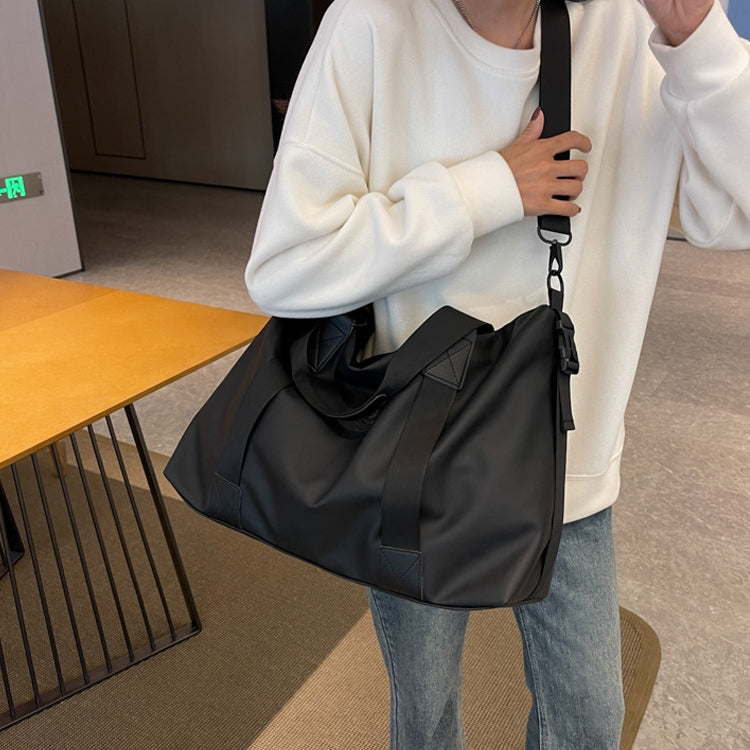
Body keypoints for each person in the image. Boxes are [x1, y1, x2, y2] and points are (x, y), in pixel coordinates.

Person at [245, 0, 750, 747]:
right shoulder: (372, 22)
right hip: (408, 459)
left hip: (564, 466)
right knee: (425, 710)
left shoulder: (628, 27)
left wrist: (695, 36)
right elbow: (286, 267)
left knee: (588, 722)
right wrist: (486, 190)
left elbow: (734, 213)